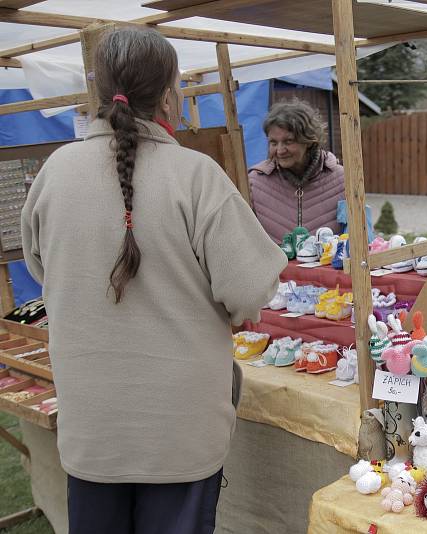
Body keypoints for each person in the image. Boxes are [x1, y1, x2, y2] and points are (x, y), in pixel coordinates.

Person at [21, 27, 286, 533]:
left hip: (92, 424)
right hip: (179, 428)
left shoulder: (55, 173)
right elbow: (252, 289)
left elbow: (40, 269)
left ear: (97, 93)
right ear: (169, 94)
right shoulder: (196, 176)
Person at [248, 99, 345, 243]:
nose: (280, 151)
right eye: (273, 143)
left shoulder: (341, 179)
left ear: (309, 141)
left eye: (288, 141)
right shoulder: (255, 182)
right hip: (275, 266)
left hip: (327, 265)